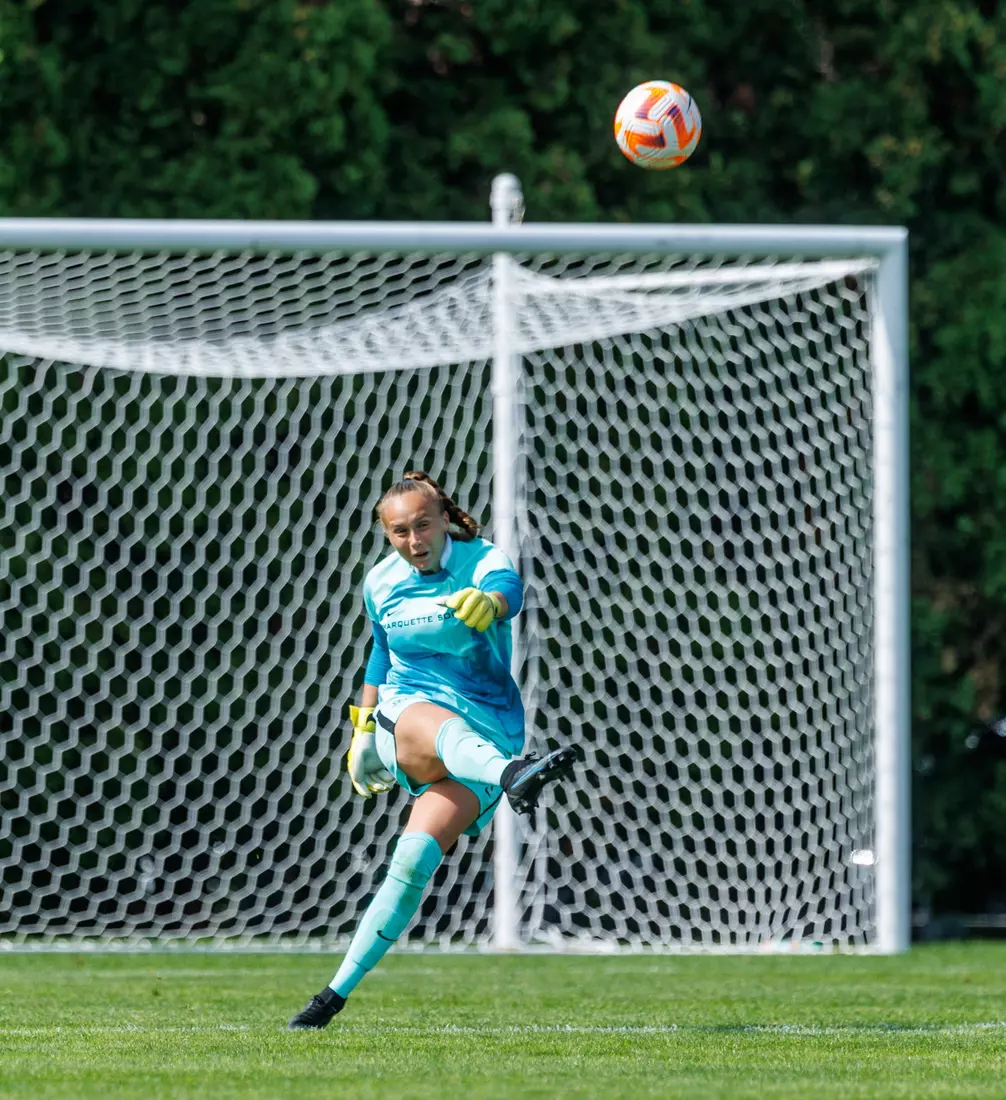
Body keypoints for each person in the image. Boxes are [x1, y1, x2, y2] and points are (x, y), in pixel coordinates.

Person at [288, 471, 580, 1030]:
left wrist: (488, 604)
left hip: (487, 732)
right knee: (422, 715)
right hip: (410, 713)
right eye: (400, 531)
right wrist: (364, 732)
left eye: (423, 525)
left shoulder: (480, 559)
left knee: (413, 858)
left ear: (444, 518)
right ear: (387, 535)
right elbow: (381, 654)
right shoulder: (380, 583)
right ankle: (516, 775)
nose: (414, 539)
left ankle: (330, 997)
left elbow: (509, 592)